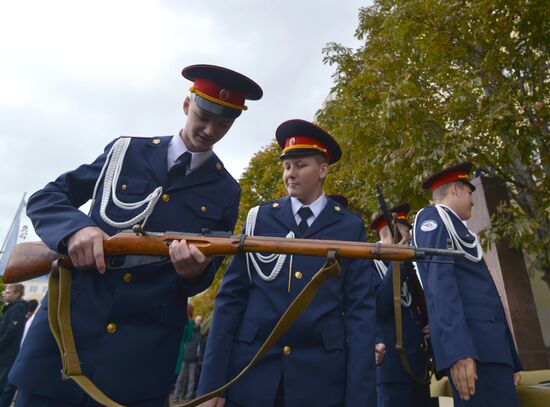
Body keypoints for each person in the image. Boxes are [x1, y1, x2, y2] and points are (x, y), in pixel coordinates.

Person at [9, 64, 262, 407]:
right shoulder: (125, 152)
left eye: (223, 124)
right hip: (65, 342)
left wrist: (194, 273)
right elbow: (48, 196)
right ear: (187, 105)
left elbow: (206, 272)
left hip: (138, 363)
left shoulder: (226, 190)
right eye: (203, 116)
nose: (209, 130)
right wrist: (76, 230)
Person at [198, 119, 376, 407]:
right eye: (286, 166)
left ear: (323, 170)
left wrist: (360, 399)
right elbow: (230, 300)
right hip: (252, 374)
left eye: (300, 165)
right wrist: (212, 386)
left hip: (319, 381)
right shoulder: (261, 218)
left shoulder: (348, 226)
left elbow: (359, 315)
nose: (290, 174)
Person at [413, 163, 522, 406]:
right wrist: (458, 350)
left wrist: (511, 358)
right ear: (455, 189)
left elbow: (489, 297)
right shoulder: (432, 217)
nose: (473, 200)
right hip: (472, 351)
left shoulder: (461, 230)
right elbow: (440, 285)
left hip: (491, 350)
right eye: (470, 192)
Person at [371, 204, 436, 407]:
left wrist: (430, 325)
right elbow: (381, 305)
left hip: (419, 368)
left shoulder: (408, 267)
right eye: (405, 237)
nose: (409, 242)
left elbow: (420, 308)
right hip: (392, 372)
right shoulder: (368, 264)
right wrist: (397, 260)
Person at [0, 299, 40, 407]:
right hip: (20, 356)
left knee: (8, 386)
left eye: (9, 292)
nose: (5, 295)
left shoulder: (23, 314)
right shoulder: (30, 319)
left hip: (20, 357)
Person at [0, 285, 27, 398]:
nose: (5, 295)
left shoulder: (17, 308)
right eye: (5, 292)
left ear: (17, 294)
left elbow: (11, 331)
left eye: (8, 293)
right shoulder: (11, 308)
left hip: (7, 355)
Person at [174, 315, 203, 402]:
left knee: (191, 379)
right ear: (195, 320)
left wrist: (198, 357)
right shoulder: (189, 330)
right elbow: (183, 340)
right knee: (180, 377)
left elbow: (199, 347)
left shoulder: (200, 333)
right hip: (185, 357)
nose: (198, 321)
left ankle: (188, 396)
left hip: (193, 359)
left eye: (200, 320)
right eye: (197, 320)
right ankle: (176, 396)